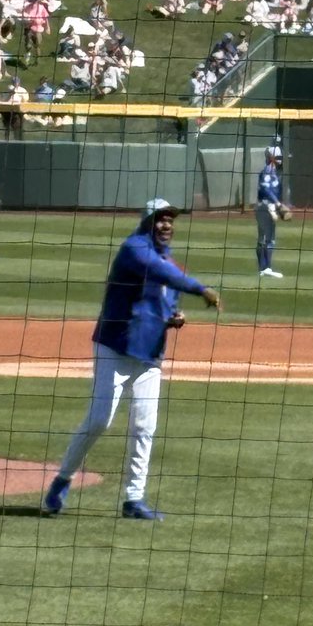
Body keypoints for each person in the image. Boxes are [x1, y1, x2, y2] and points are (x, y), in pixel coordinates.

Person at [43, 200, 220, 521]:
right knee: (99, 420)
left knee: (145, 426)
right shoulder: (134, 249)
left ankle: (134, 499)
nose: (167, 225)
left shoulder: (171, 263)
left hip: (149, 355)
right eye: (160, 219)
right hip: (114, 348)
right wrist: (200, 288)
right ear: (147, 222)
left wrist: (173, 318)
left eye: (170, 220)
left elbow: (165, 301)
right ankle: (62, 479)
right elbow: (159, 272)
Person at [256, 143, 287, 278]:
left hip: (267, 206)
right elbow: (266, 189)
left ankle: (264, 268)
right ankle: (265, 268)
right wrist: (277, 204)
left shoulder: (272, 171)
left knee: (265, 238)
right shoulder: (268, 170)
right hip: (265, 206)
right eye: (278, 157)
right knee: (267, 239)